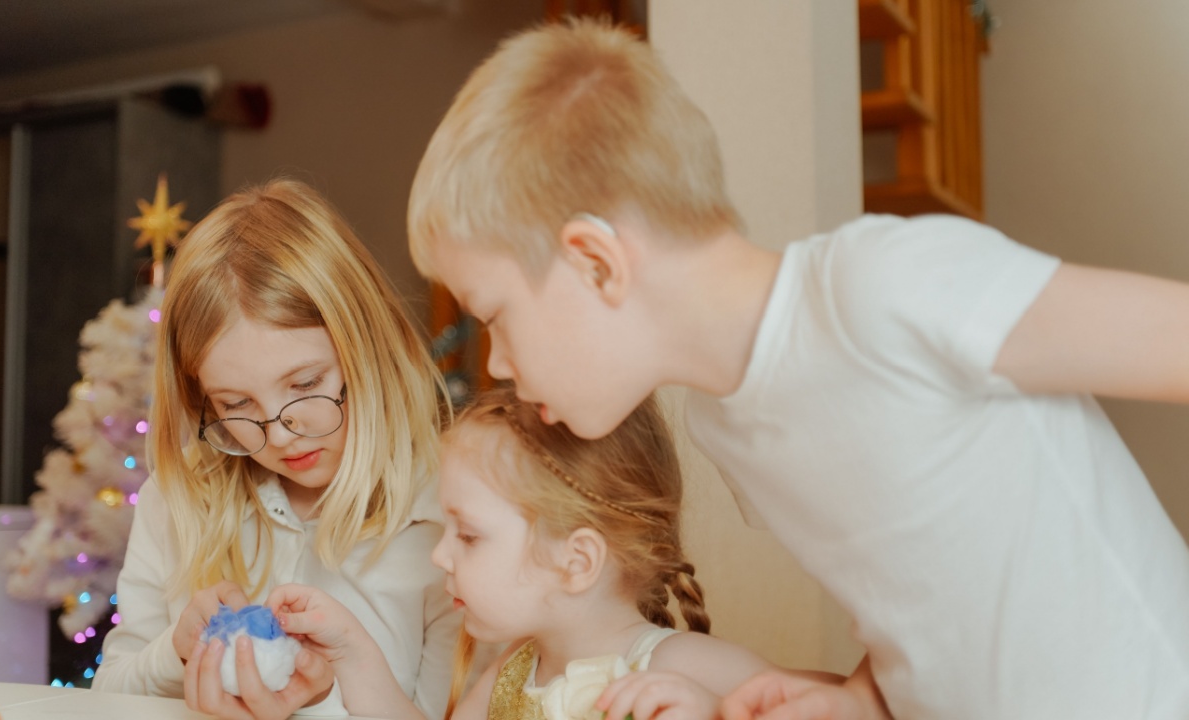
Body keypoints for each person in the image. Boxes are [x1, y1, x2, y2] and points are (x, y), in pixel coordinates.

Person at [404, 17, 1189, 720]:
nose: (499, 361)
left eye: (494, 314)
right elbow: (928, 603)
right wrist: (861, 696)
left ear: (597, 264)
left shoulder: (882, 288)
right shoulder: (731, 423)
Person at [263, 388, 890, 720]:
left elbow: (867, 705)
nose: (441, 556)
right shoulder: (509, 673)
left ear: (577, 560)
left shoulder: (683, 664)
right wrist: (351, 649)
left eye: (469, 535)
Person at [94, 179, 459, 720]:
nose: (281, 434)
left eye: (306, 384)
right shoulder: (177, 501)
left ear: (366, 344)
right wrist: (177, 649)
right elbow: (108, 698)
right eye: (236, 403)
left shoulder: (451, 520)